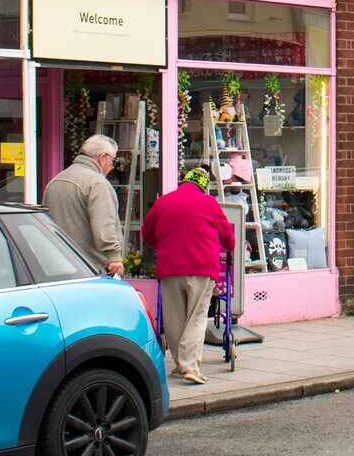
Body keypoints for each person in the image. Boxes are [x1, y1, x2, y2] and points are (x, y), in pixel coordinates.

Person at [140, 167, 234, 386]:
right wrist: (228, 246)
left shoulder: (163, 202)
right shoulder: (209, 203)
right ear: (203, 185)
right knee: (197, 316)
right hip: (201, 267)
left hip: (170, 267)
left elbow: (147, 233)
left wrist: (163, 246)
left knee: (174, 318)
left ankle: (180, 365)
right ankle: (190, 366)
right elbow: (227, 237)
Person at [42, 134, 123, 276]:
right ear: (103, 157)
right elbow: (104, 224)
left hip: (58, 266)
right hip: (90, 268)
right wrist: (113, 257)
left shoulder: (55, 181)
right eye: (112, 161)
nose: (111, 167)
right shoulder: (98, 183)